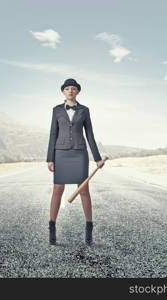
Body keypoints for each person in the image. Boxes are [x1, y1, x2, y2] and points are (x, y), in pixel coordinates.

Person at [46, 78, 105, 246]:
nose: (70, 91)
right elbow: (52, 134)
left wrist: (97, 158)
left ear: (77, 91)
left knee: (84, 190)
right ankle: (52, 228)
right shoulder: (56, 110)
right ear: (63, 92)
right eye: (67, 89)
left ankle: (89, 231)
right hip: (61, 153)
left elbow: (90, 135)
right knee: (58, 190)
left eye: (73, 88)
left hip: (79, 154)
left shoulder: (84, 110)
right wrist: (50, 158)